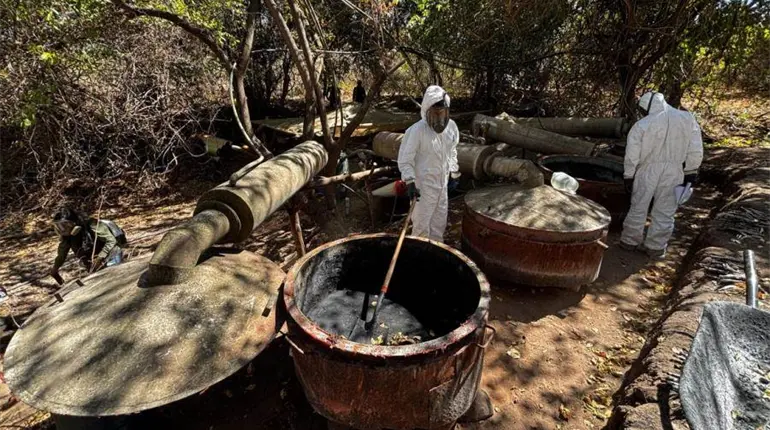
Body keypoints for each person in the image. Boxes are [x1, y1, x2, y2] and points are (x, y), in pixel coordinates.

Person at [620, 91, 703, 258]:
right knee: (666, 209)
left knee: (639, 205)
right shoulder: (687, 119)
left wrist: (629, 175)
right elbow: (695, 149)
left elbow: (632, 154)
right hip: (674, 171)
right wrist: (691, 171)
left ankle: (629, 241)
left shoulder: (642, 125)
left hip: (646, 171)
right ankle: (655, 247)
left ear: (647, 107)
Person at [398, 85, 460, 242]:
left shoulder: (451, 127)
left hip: (442, 187)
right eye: (436, 113)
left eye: (442, 113)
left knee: (439, 227)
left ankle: (435, 260)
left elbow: (452, 151)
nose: (440, 118)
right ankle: (420, 262)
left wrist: (454, 171)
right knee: (421, 229)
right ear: (427, 110)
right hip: (423, 190)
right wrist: (410, 181)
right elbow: (405, 160)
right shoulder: (416, 131)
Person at [50, 207, 126, 281]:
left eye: (65, 225)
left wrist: (100, 257)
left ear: (74, 222)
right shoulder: (67, 237)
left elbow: (111, 241)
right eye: (59, 226)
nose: (63, 229)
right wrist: (55, 268)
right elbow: (61, 255)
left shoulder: (92, 224)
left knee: (114, 276)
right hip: (91, 260)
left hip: (111, 252)